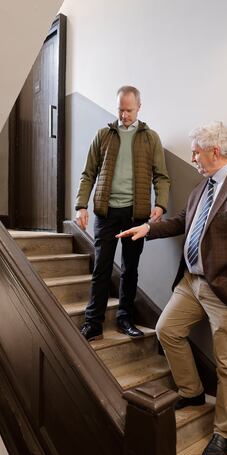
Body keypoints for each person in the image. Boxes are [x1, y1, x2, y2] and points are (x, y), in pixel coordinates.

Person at [117, 121, 227, 455]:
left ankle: (224, 433)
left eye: (196, 153)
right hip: (192, 282)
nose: (192, 159)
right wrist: (147, 229)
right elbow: (182, 222)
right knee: (166, 330)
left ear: (214, 152)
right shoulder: (202, 187)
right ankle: (192, 391)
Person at [74, 86, 171, 341]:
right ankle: (93, 323)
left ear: (139, 108)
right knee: (101, 268)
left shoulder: (151, 138)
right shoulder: (103, 134)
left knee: (130, 269)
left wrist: (160, 205)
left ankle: (125, 319)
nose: (124, 115)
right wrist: (81, 206)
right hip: (106, 213)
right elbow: (88, 174)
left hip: (135, 215)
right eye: (120, 110)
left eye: (129, 110)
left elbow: (161, 177)